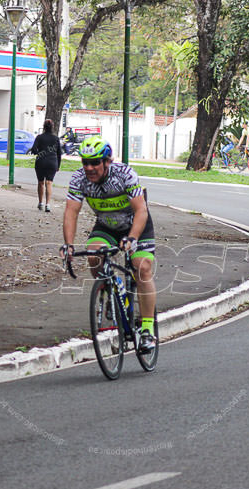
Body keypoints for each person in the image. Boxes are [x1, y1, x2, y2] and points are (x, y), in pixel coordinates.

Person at [59, 136, 157, 352]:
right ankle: (113, 290)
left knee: (142, 268)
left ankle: (148, 330)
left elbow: (141, 210)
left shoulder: (124, 175)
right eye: (85, 162)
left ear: (107, 162)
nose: (89, 167)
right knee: (94, 255)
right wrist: (69, 244)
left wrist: (132, 238)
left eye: (95, 162)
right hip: (107, 226)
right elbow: (71, 211)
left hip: (136, 226)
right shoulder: (78, 179)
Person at [30, 119, 62, 212]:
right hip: (52, 162)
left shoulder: (39, 137)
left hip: (41, 162)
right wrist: (58, 165)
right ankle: (48, 205)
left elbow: (33, 150)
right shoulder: (56, 139)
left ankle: (40, 203)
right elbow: (59, 153)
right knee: (49, 183)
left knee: (40, 183)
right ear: (52, 127)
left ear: (43, 127)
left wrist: (40, 151)